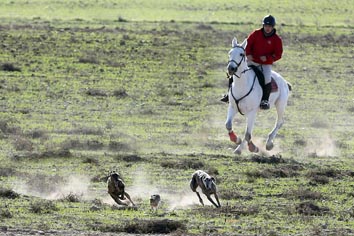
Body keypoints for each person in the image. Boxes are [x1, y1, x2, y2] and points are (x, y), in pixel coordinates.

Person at [221, 15, 283, 110]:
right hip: (252, 61)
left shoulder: (277, 39)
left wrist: (267, 58)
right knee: (235, 72)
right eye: (266, 26)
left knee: (267, 79)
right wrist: (248, 54)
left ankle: (264, 101)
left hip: (265, 64)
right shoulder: (256, 33)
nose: (267, 28)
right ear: (263, 25)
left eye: (270, 26)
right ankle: (229, 95)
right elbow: (247, 45)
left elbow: (278, 54)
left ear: (273, 27)